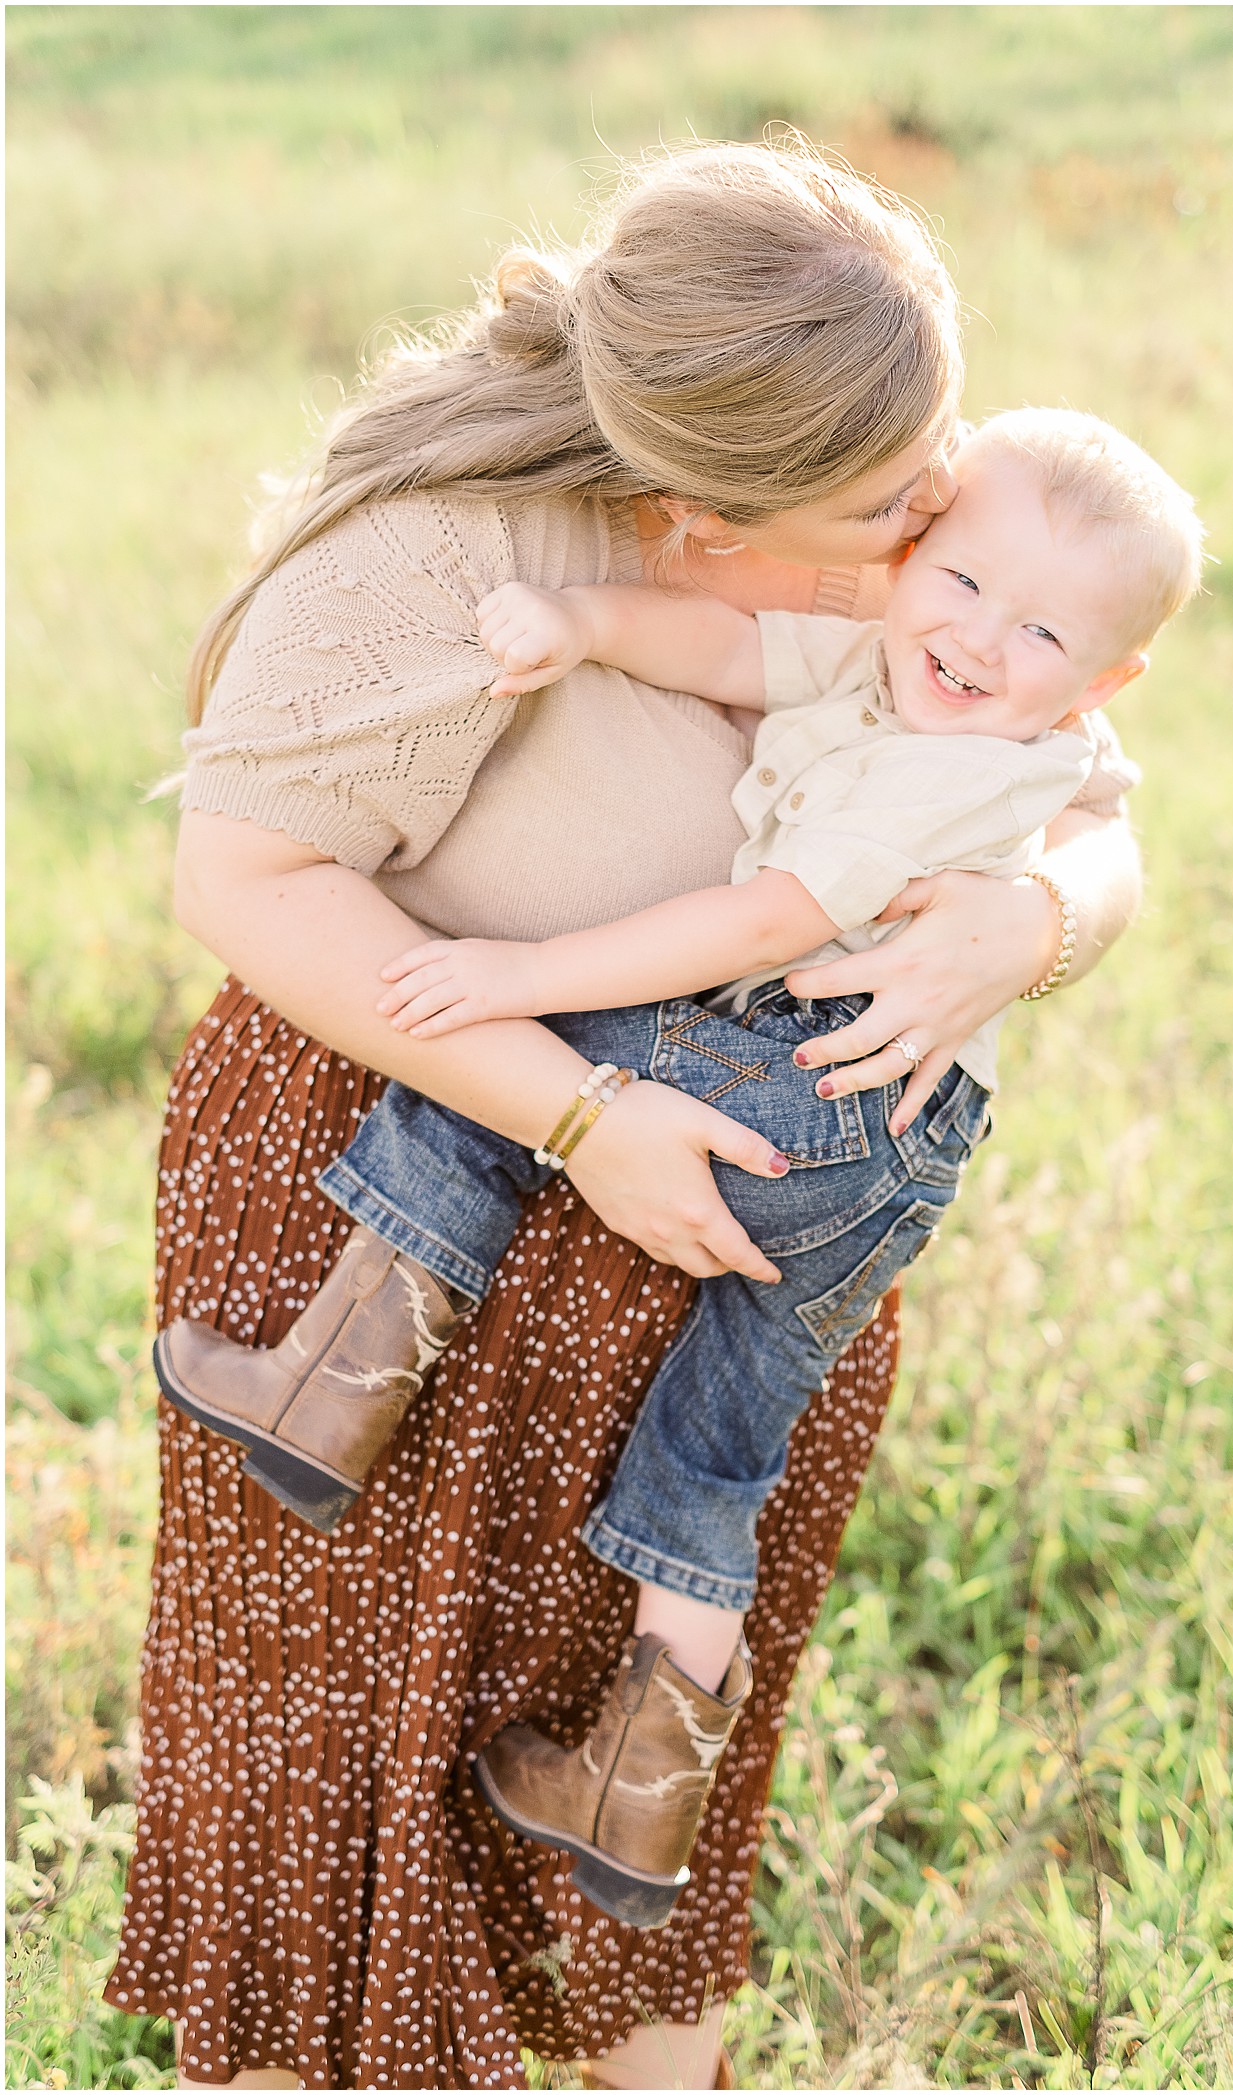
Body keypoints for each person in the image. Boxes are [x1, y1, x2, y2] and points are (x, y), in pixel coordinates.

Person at [106, 140, 1146, 2091]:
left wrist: (1030, 921)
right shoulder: (433, 561)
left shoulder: (888, 510)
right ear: (699, 493)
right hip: (413, 1174)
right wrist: (584, 1119)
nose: (933, 513)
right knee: (352, 1748)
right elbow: (245, 887)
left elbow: (1084, 779)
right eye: (887, 497)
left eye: (934, 466)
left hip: (733, 1221)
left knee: (628, 1759)